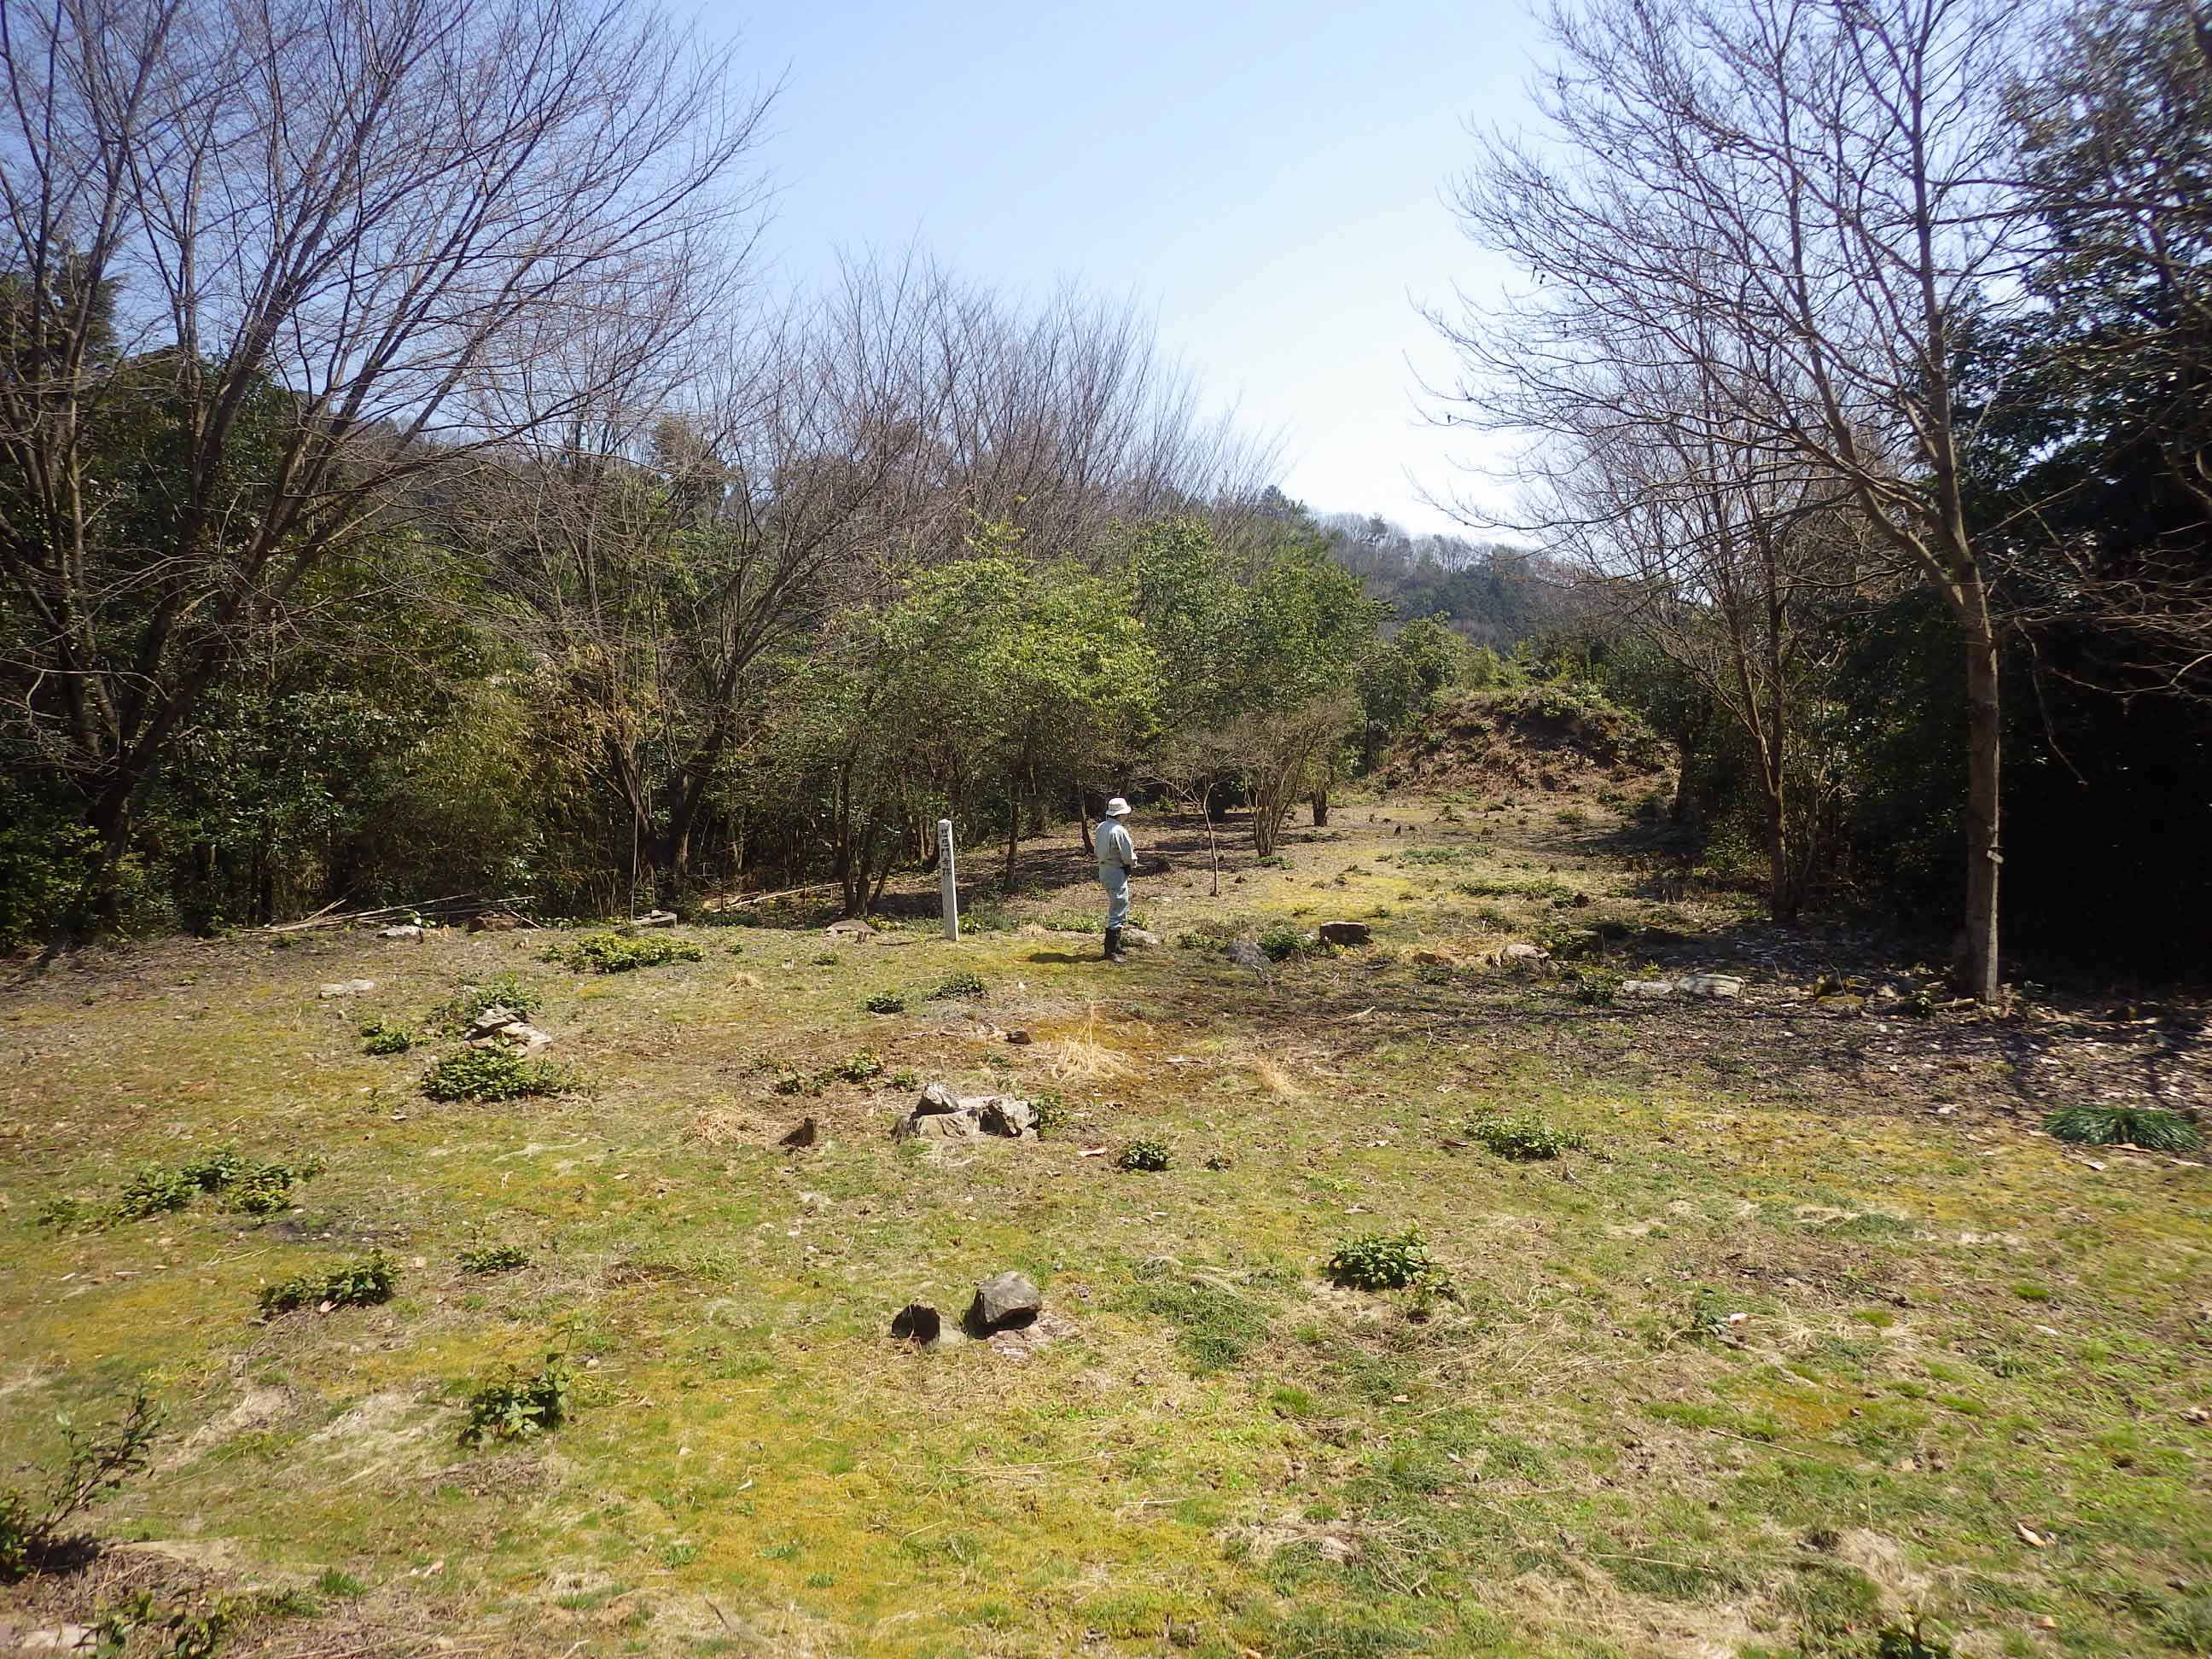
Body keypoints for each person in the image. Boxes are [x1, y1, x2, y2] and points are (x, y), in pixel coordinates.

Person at [1095, 795, 1138, 962]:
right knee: (1119, 906)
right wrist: (1132, 863)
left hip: (1104, 869)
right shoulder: (1118, 830)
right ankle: (1110, 950)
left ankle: (1116, 945)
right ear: (1120, 814)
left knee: (1117, 904)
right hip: (1116, 870)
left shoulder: (1102, 827)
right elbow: (1127, 855)